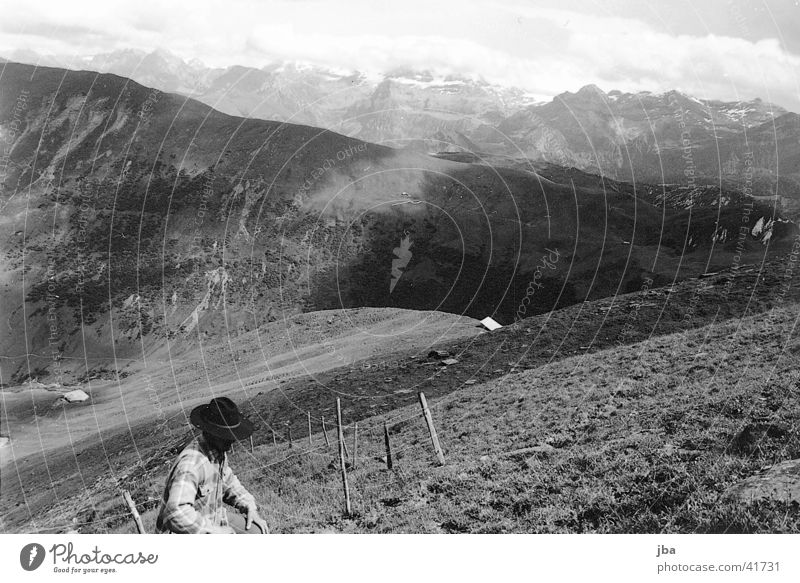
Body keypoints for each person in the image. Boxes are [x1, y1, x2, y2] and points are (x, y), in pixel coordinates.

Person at [156, 397, 268, 534]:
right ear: (211, 432)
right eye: (225, 436)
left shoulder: (218, 451)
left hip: (213, 518)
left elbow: (229, 483)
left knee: (257, 531)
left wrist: (250, 507)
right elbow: (175, 513)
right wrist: (216, 532)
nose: (231, 441)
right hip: (188, 532)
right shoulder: (191, 464)